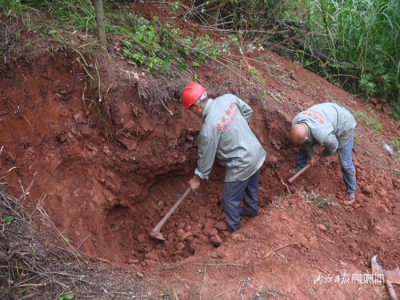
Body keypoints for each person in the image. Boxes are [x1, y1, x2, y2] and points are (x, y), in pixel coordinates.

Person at [182, 82, 266, 232]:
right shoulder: (228, 98)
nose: (192, 113)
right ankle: (251, 210)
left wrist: (197, 178)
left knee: (229, 199)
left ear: (197, 107)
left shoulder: (208, 129)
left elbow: (206, 159)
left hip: (241, 163)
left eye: (191, 110)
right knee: (250, 187)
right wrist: (238, 131)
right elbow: (248, 111)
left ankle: (235, 231)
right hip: (255, 151)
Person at [289, 103, 357, 200]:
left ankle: (351, 191)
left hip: (345, 125)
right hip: (329, 115)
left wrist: (322, 154)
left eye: (305, 140)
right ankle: (299, 167)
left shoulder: (323, 135)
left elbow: (334, 147)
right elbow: (304, 144)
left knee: (345, 163)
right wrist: (312, 155)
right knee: (304, 146)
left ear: (307, 137)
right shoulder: (296, 121)